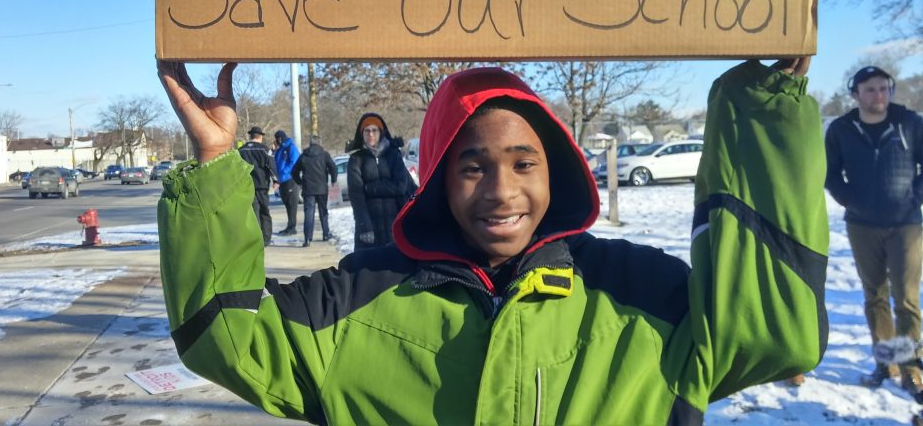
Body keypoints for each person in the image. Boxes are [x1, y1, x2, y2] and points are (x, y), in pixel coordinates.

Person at [156, 58, 826, 425]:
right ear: (440, 180)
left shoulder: (641, 293)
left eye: (523, 163)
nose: (501, 191)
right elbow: (228, 338)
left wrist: (761, 118)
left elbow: (774, 333)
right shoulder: (360, 297)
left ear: (555, 169)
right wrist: (215, 163)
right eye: (472, 166)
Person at [825, 65, 923, 396]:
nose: (878, 95)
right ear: (855, 94)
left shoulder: (910, 123)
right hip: (862, 226)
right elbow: (831, 173)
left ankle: (911, 368)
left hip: (906, 225)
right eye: (869, 89)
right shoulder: (841, 129)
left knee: (906, 299)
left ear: (891, 90)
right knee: (875, 297)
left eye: (883, 88)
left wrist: (915, 196)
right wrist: (851, 199)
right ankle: (886, 362)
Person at [347, 113, 414, 251]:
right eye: (367, 131)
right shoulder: (356, 159)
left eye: (374, 130)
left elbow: (401, 186)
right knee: (367, 269)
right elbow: (356, 196)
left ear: (381, 133)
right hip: (369, 225)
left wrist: (370, 188)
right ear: (362, 134)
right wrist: (364, 226)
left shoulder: (393, 155)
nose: (370, 134)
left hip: (395, 224)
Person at [292, 135, 338, 247]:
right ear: (319, 143)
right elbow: (333, 167)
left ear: (310, 144)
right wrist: (333, 179)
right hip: (322, 188)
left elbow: (294, 171)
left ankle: (307, 238)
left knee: (309, 213)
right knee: (323, 212)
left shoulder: (304, 156)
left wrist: (300, 182)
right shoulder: (324, 155)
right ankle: (326, 234)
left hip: (308, 189)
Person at [237, 126, 277, 246]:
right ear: (260, 136)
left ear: (250, 136)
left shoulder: (241, 150)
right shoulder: (265, 149)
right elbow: (271, 165)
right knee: (264, 211)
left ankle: (254, 238)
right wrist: (276, 180)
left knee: (252, 212)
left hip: (247, 186)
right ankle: (266, 238)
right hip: (262, 185)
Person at [273, 129, 301, 236]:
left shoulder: (291, 147)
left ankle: (292, 227)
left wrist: (284, 172)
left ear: (280, 138)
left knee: (291, 205)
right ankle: (289, 226)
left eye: (277, 139)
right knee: (287, 204)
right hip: (282, 181)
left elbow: (294, 162)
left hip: (290, 180)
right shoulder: (279, 150)